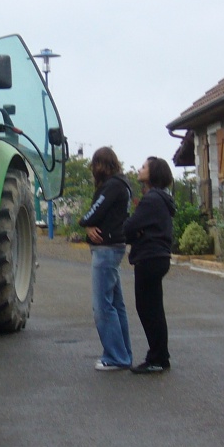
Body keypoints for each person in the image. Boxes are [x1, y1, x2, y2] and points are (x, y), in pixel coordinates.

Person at [79, 147, 133, 371]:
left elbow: (94, 212)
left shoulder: (111, 186)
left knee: (102, 305)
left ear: (101, 165)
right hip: (115, 245)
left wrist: (85, 222)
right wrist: (89, 227)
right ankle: (123, 353)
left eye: (95, 164)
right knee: (116, 304)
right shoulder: (124, 185)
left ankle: (115, 357)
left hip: (106, 249)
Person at [123, 156, 177, 374]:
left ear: (153, 173)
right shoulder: (162, 198)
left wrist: (136, 232)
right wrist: (139, 231)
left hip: (149, 257)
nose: (140, 168)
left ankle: (157, 358)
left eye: (144, 166)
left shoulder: (152, 199)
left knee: (148, 309)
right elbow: (139, 227)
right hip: (159, 256)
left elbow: (130, 226)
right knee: (154, 309)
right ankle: (160, 356)